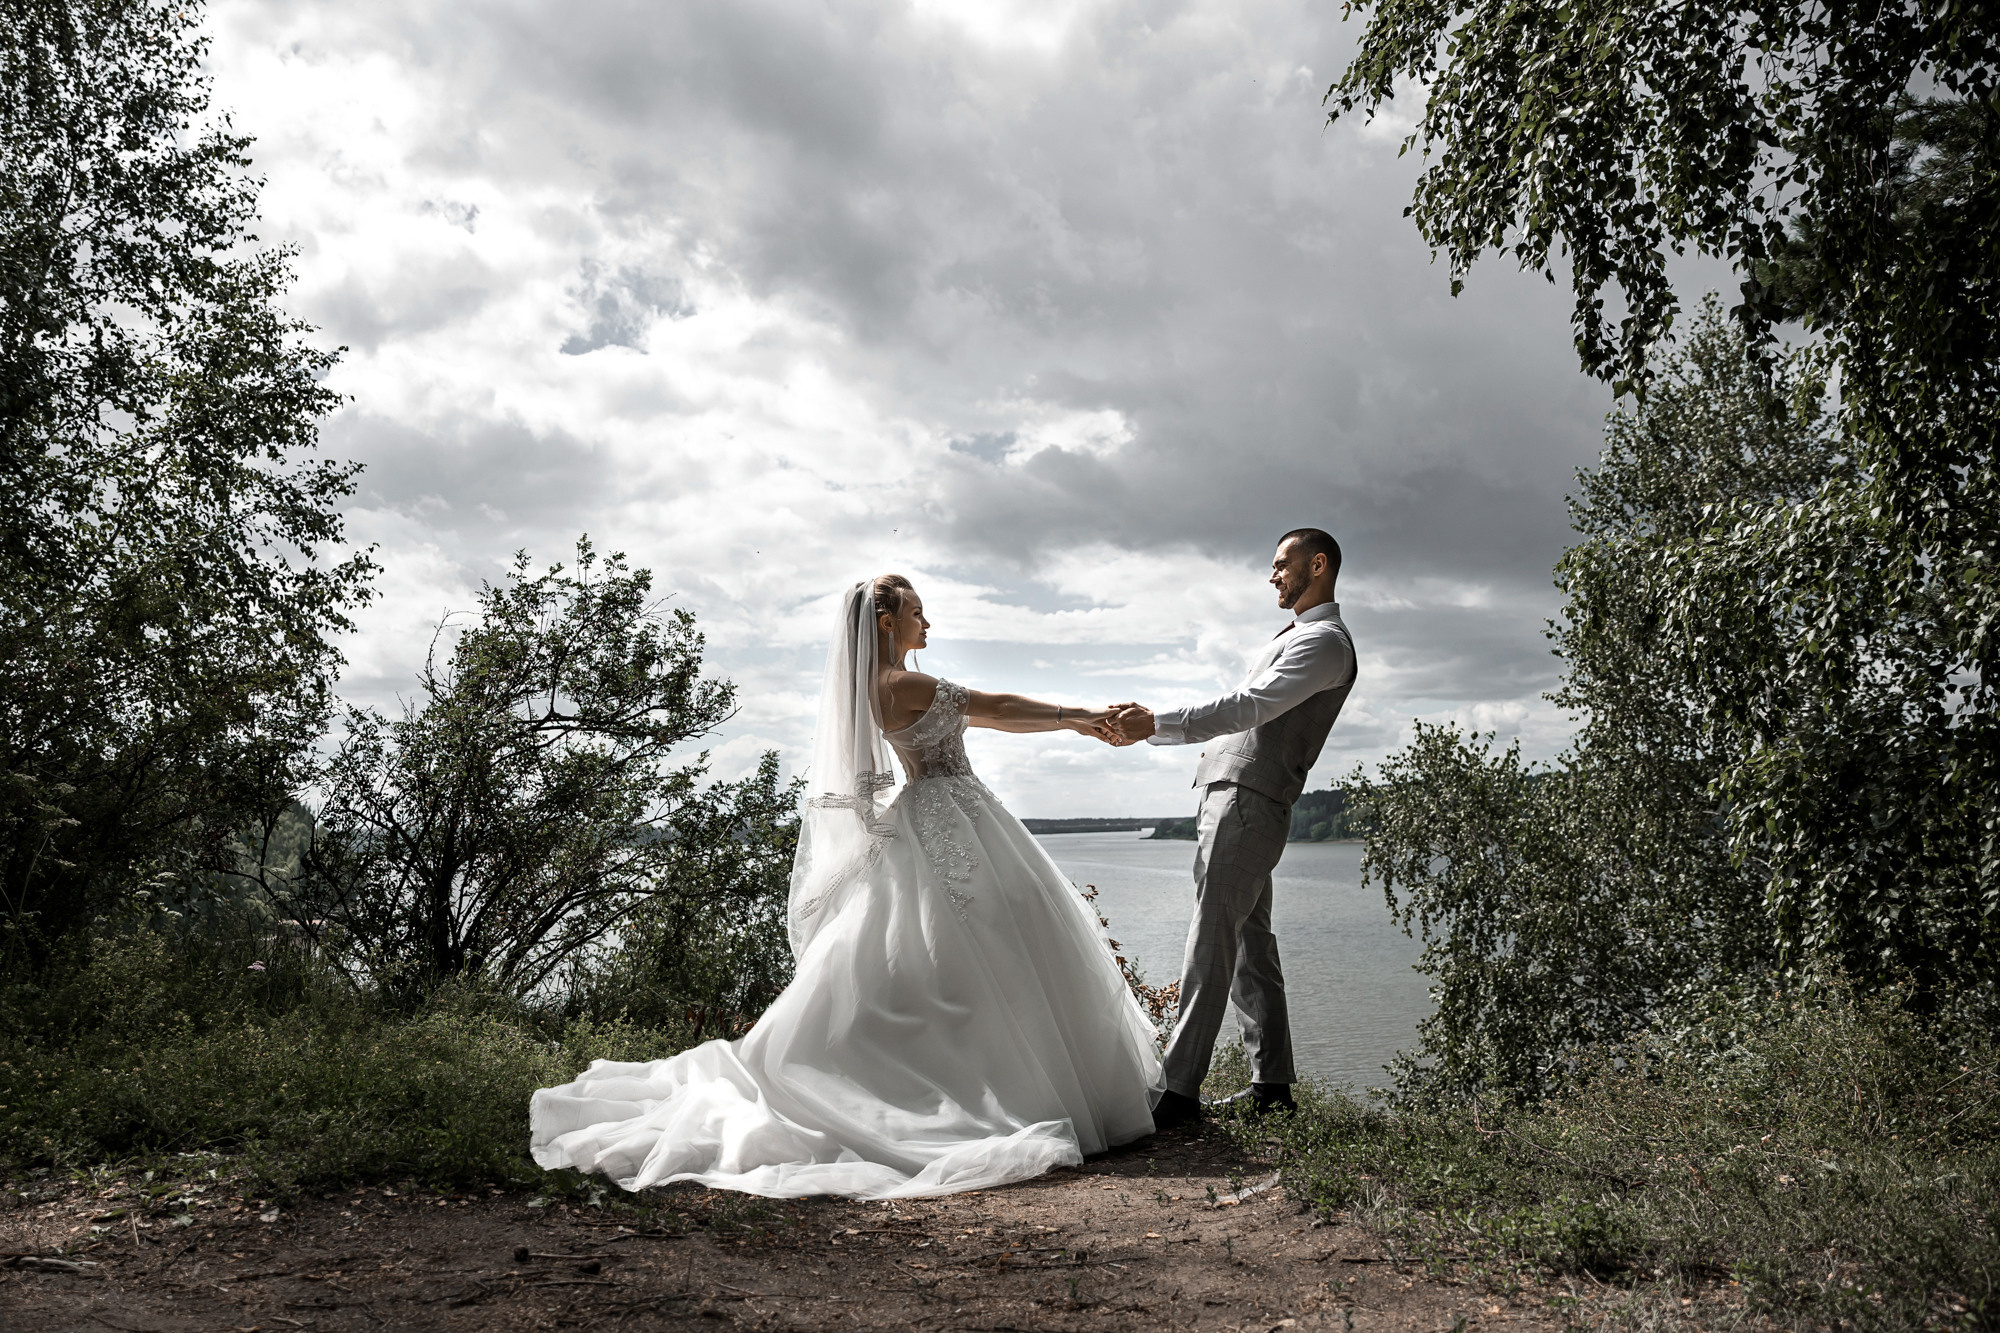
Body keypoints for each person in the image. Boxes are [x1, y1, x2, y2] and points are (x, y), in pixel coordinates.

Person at [529, 575, 1162, 1198]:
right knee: (991, 936)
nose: (928, 624)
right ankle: (993, 1084)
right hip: (949, 813)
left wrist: (1080, 720)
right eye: (918, 612)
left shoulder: (871, 686)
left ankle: (978, 1068)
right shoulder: (901, 683)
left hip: (938, 813)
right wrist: (1083, 716)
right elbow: (995, 709)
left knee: (948, 948)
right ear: (887, 622)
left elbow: (990, 712)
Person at [1102, 528, 1357, 1126]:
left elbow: (1247, 707)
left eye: (1281, 565)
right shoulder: (1297, 636)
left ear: (1316, 565)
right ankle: (1273, 1089)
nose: (1272, 575)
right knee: (1249, 944)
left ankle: (1177, 1093)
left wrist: (1154, 723)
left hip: (1247, 804)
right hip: (1234, 799)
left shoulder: (1324, 643)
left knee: (1211, 938)